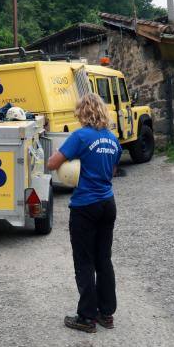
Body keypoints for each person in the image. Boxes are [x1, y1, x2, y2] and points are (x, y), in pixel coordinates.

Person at [47, 93, 122, 333]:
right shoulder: (112, 139)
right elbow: (110, 172)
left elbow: (52, 163)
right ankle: (106, 314)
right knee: (103, 259)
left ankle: (87, 317)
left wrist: (73, 161)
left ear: (83, 112)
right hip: (107, 203)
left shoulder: (80, 136)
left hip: (85, 206)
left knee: (84, 261)